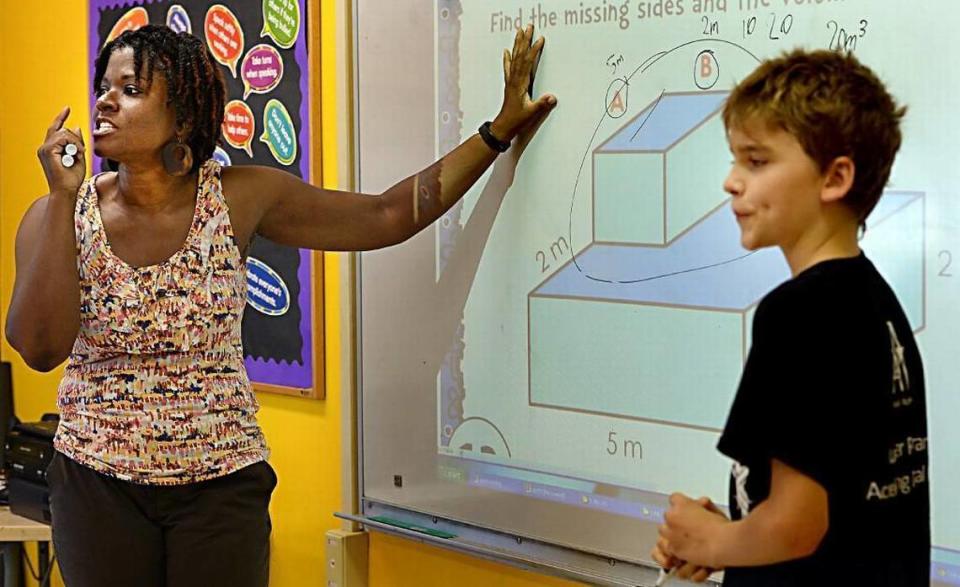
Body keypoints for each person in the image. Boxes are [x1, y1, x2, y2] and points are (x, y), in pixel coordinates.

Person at [6, 23, 556, 587]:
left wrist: (496, 133)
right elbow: (39, 348)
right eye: (104, 85)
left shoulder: (238, 197)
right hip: (97, 486)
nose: (105, 99)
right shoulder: (61, 214)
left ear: (185, 117)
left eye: (130, 88)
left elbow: (388, 215)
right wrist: (61, 198)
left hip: (219, 490)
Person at [652, 49, 929, 586]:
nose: (732, 181)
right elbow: (834, 501)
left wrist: (710, 539)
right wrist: (733, 540)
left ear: (834, 178)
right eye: (735, 160)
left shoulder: (799, 313)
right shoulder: (875, 300)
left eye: (756, 161)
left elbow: (799, 526)